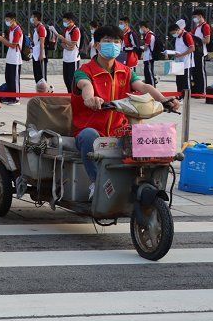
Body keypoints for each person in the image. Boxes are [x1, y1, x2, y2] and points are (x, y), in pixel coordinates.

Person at [73, 24, 178, 196]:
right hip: (90, 129)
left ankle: (143, 182)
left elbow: (143, 86)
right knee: (88, 136)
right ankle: (97, 183)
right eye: (107, 41)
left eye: (116, 41)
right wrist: (90, 99)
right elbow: (86, 85)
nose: (112, 45)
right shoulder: (84, 71)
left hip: (117, 129)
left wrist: (164, 100)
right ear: (97, 45)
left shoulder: (126, 72)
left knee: (145, 135)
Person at [0, 12, 24, 105]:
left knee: (14, 79)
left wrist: (2, 40)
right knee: (9, 78)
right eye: (6, 20)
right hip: (10, 57)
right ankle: (9, 97)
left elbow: (13, 45)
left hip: (16, 59)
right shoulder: (11, 29)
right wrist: (2, 39)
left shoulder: (17, 30)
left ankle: (16, 98)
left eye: (8, 20)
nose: (6, 21)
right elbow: (9, 43)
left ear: (13, 20)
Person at [54, 12, 82, 93]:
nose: (64, 23)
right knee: (66, 79)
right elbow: (64, 44)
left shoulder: (75, 30)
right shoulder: (66, 29)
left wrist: (63, 39)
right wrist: (66, 46)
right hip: (66, 58)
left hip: (73, 59)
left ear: (71, 21)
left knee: (72, 79)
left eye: (65, 21)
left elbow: (73, 44)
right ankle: (69, 94)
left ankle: (74, 95)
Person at [169, 19, 195, 95]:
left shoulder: (187, 35)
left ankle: (186, 97)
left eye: (174, 33)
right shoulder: (177, 37)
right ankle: (180, 96)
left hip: (186, 63)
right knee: (179, 81)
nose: (173, 35)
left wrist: (182, 54)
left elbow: (192, 48)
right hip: (178, 62)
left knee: (185, 81)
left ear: (178, 30)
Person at [190, 9, 210, 93]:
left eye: (195, 17)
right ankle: (197, 89)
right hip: (195, 52)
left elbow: (207, 40)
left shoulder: (205, 26)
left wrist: (198, 41)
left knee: (201, 72)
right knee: (195, 72)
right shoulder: (197, 27)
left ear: (200, 16)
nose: (194, 19)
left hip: (201, 52)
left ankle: (203, 90)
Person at [28, 11, 48, 83]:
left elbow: (42, 42)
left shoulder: (41, 28)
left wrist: (41, 54)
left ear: (36, 18)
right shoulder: (36, 27)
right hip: (35, 54)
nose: (31, 18)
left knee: (40, 75)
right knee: (36, 74)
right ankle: (39, 90)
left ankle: (44, 91)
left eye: (32, 17)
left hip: (39, 54)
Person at [139, 21, 157, 87]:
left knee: (149, 74)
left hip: (149, 57)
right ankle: (149, 87)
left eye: (141, 28)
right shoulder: (149, 34)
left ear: (144, 27)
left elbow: (146, 48)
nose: (140, 29)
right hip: (147, 57)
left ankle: (152, 87)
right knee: (147, 73)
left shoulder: (149, 35)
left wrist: (140, 47)